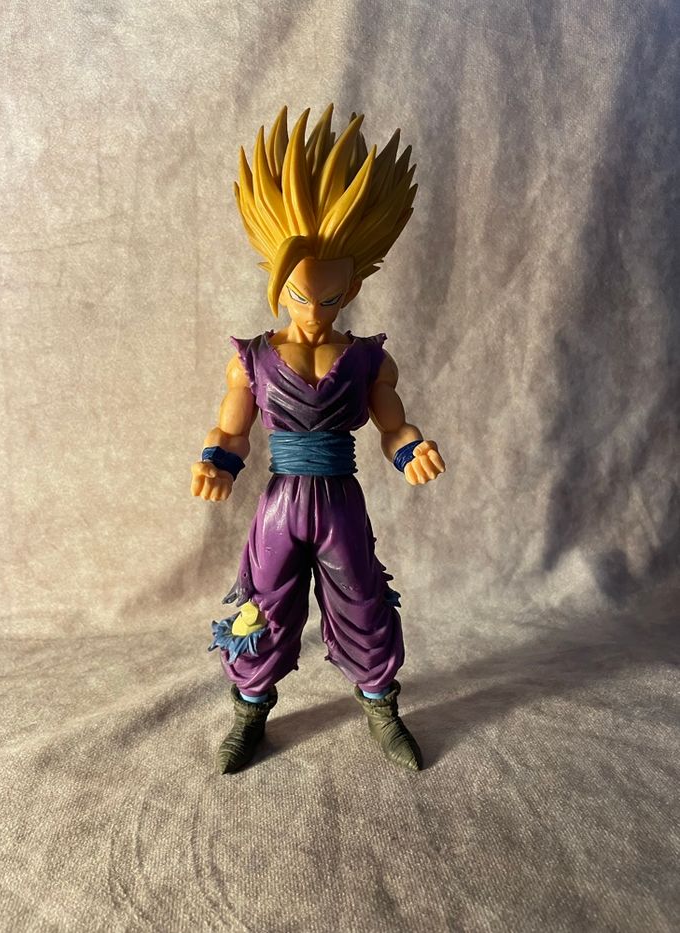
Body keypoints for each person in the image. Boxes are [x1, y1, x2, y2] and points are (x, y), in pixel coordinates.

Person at [191, 105, 445, 774]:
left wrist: (411, 450)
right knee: (263, 605)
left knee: (362, 600)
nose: (311, 313)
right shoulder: (251, 357)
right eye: (299, 297)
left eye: (327, 299)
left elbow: (392, 421)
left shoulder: (367, 358)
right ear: (278, 283)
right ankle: (250, 710)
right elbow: (232, 427)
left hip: (340, 501)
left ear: (351, 288)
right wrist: (216, 460)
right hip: (279, 504)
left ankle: (381, 704)